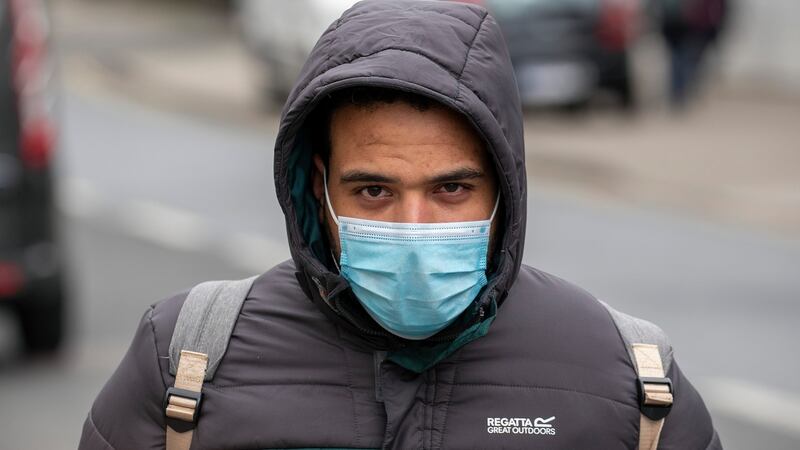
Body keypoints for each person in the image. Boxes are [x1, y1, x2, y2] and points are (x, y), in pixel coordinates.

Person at [79, 1, 722, 449]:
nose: (413, 228)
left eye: (451, 189)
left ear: (506, 189)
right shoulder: (185, 362)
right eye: (374, 190)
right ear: (318, 188)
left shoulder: (633, 388)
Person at [660, 0, 729, 108]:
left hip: (671, 24)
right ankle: (680, 90)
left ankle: (678, 90)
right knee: (683, 59)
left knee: (677, 58)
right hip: (688, 25)